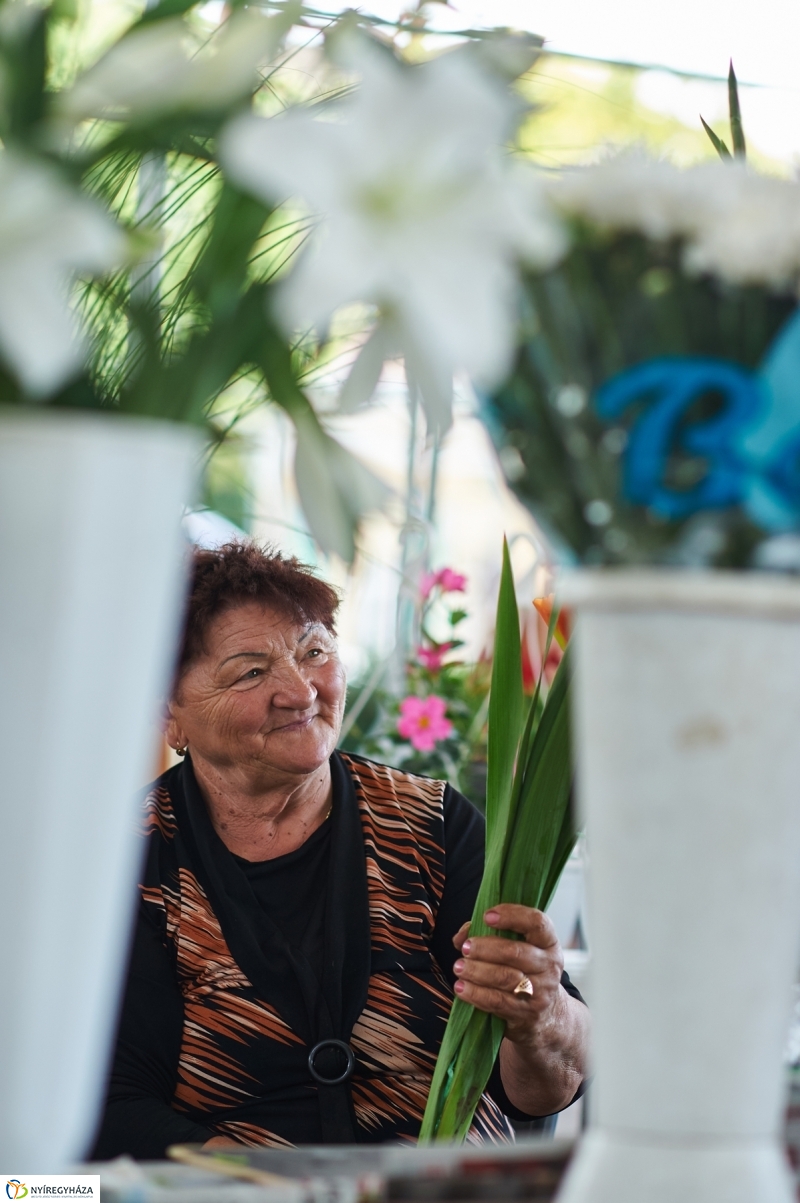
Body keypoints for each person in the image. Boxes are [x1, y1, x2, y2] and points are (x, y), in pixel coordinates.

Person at [93, 542, 589, 1158]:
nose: (300, 692)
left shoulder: (431, 823)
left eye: (315, 652)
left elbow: (543, 1090)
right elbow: (108, 1105)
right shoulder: (125, 857)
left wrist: (536, 1009)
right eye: (251, 672)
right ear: (169, 714)